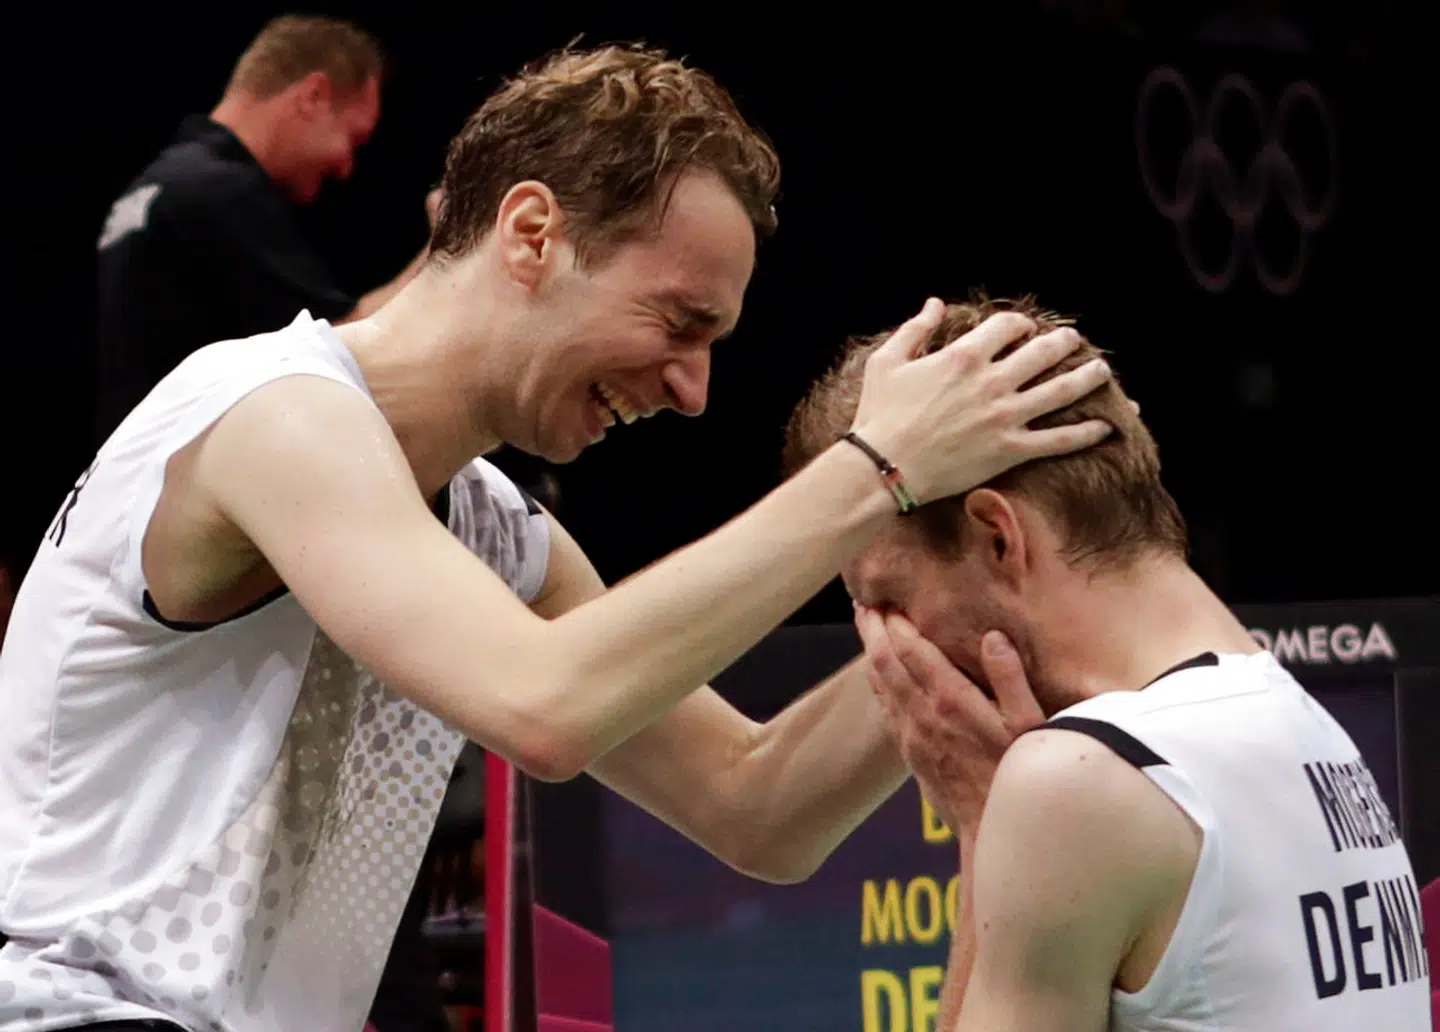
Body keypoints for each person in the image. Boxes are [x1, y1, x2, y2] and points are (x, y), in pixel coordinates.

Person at [0, 45, 1114, 1032]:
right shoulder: (269, 414)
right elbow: (545, 707)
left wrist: (963, 604)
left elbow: (757, 805)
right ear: (532, 233)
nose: (692, 390)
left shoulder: (492, 529)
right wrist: (878, 469)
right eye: (681, 322)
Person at [783, 295, 1431, 1031]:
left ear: (997, 536)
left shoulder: (1074, 782)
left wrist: (981, 818)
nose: (887, 644)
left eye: (887, 598)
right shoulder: (1308, 728)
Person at [93, 14, 437, 444]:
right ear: (312, 96)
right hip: (184, 483)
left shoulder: (154, 186)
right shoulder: (217, 190)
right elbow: (348, 345)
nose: (346, 167)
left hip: (126, 480)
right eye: (354, 138)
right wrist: (448, 244)